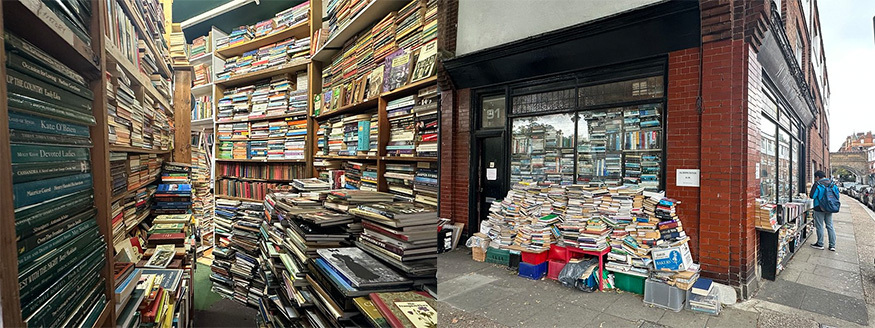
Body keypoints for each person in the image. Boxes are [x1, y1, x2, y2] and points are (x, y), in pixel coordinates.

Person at [810, 170, 838, 251]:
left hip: (819, 207)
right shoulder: (832, 184)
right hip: (830, 207)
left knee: (819, 226)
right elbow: (837, 196)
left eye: (815, 178)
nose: (815, 179)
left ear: (817, 177)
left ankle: (820, 243)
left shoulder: (817, 184)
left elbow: (812, 196)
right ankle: (832, 245)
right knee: (830, 226)